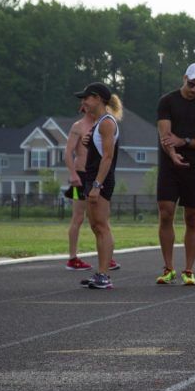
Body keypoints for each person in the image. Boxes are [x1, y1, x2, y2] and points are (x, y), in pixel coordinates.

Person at [156, 63, 195, 286]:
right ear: (184, 78)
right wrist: (173, 154)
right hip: (169, 163)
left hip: (194, 165)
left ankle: (189, 270)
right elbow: (165, 134)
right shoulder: (167, 101)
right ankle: (168, 267)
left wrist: (186, 142)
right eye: (191, 84)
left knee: (192, 217)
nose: (194, 89)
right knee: (166, 212)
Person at [74, 82, 123, 289]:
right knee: (95, 225)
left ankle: (104, 275)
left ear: (98, 99)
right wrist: (89, 142)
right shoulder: (99, 123)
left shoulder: (106, 123)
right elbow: (101, 150)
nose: (84, 102)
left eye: (86, 98)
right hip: (92, 179)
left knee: (101, 226)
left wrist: (96, 186)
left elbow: (108, 157)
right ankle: (100, 272)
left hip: (99, 181)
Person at [64, 106, 119, 272]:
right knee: (78, 217)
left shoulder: (102, 124)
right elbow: (68, 152)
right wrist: (73, 174)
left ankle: (106, 257)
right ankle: (73, 258)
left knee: (102, 219)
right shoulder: (78, 126)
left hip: (95, 175)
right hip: (80, 177)